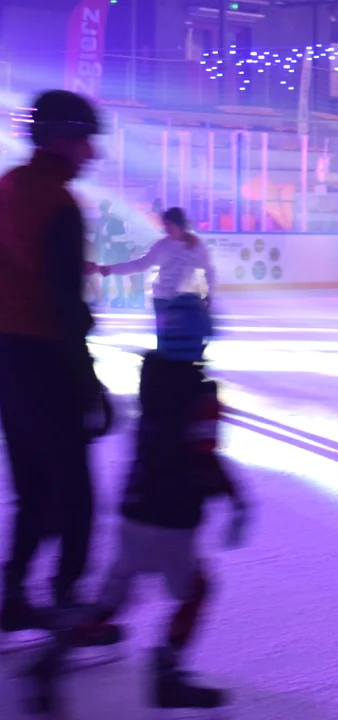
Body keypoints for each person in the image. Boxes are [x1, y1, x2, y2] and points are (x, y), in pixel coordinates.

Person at [23, 339, 248, 714]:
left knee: (112, 600)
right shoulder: (201, 396)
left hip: (136, 511)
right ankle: (167, 675)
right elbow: (203, 456)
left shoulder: (154, 380)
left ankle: (49, 664)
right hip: (172, 520)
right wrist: (236, 497)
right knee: (197, 591)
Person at [0, 90, 117, 631]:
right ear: (63, 139)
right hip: (46, 357)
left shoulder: (7, 189)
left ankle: (15, 594)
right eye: (85, 140)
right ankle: (69, 597)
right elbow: (65, 303)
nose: (91, 153)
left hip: (7, 360)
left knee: (31, 486)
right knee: (75, 490)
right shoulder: (59, 205)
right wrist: (89, 383)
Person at [95, 207, 216, 325]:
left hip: (185, 301)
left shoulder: (195, 245)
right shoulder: (162, 245)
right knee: (166, 341)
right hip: (163, 301)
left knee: (184, 340)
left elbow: (209, 271)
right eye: (165, 224)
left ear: (179, 224)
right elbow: (140, 265)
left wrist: (209, 293)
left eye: (170, 223)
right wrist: (111, 269)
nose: (166, 227)